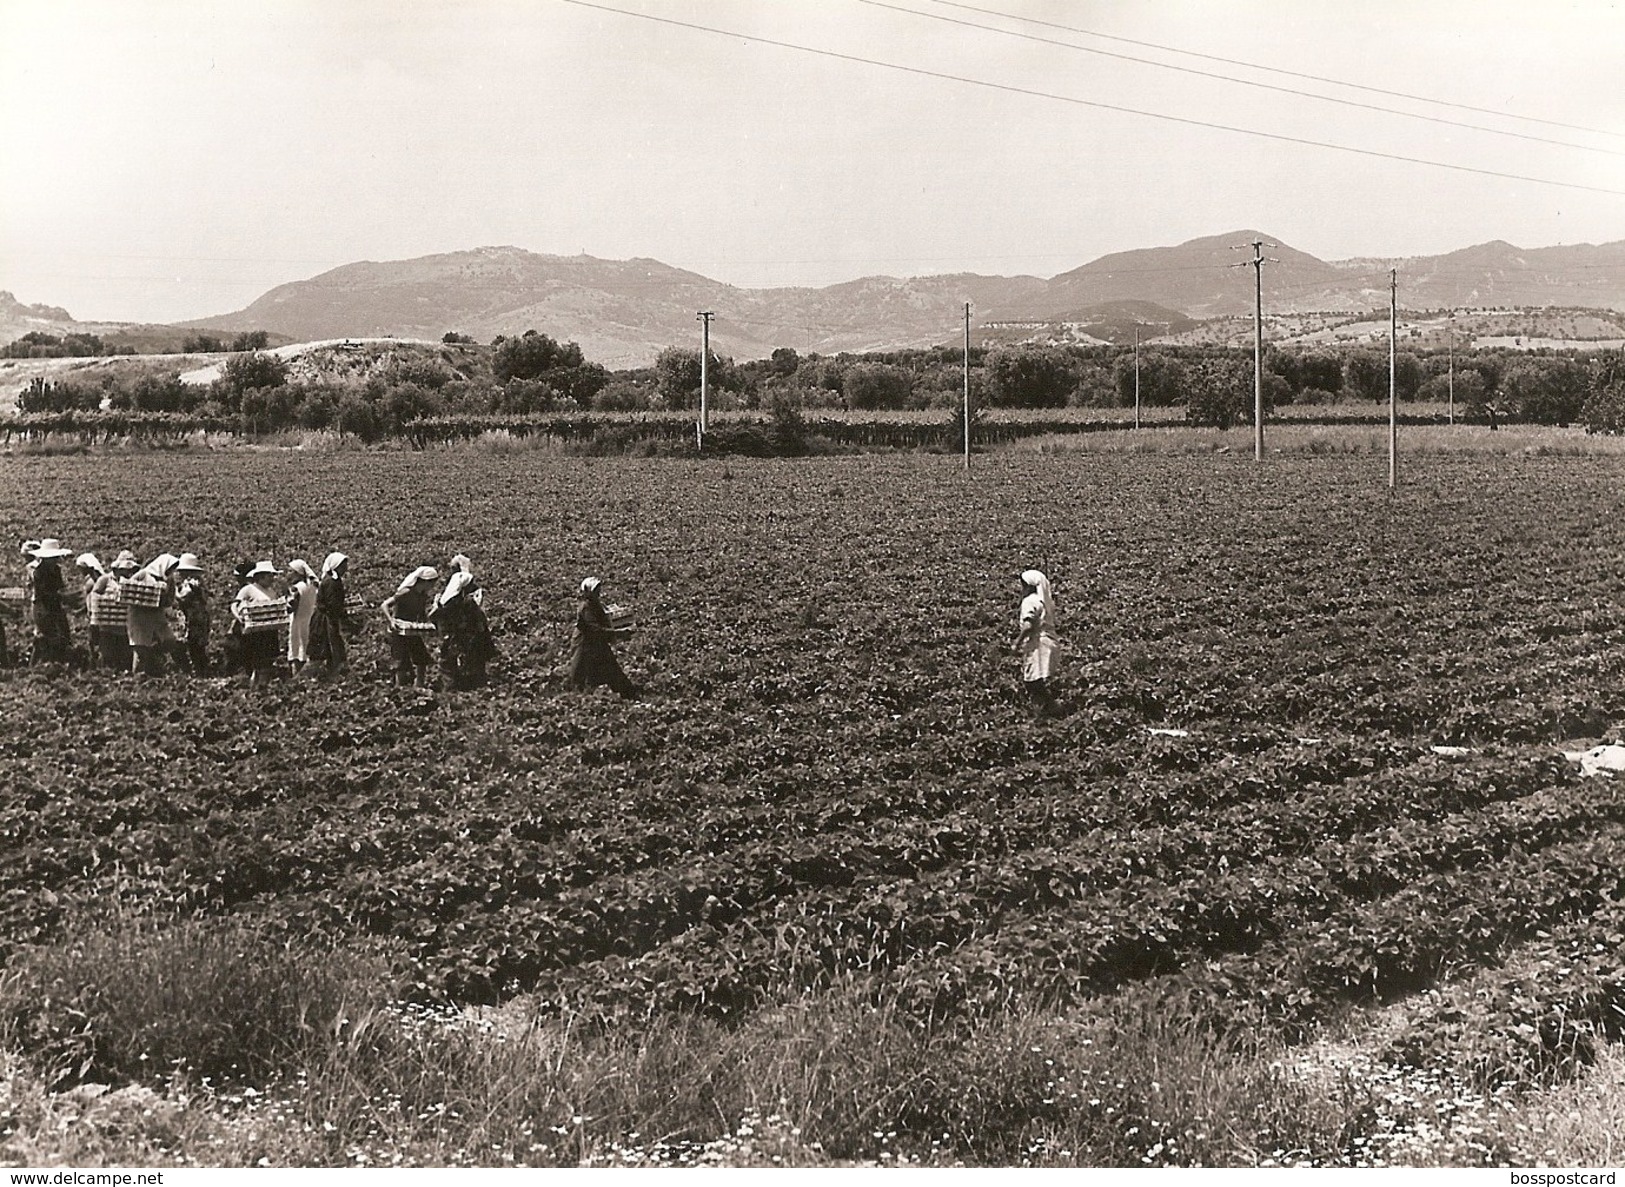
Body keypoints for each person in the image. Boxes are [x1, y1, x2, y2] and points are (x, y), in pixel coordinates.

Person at [567, 576, 640, 699]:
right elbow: (595, 630)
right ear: (587, 591)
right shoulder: (586, 607)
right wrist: (619, 633)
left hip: (596, 642)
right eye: (595, 590)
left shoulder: (595, 604)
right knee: (581, 675)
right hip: (584, 644)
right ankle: (581, 699)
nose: (598, 593)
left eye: (598, 590)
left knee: (611, 670)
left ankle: (628, 695)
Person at [430, 570, 495, 691]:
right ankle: (473, 689)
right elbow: (479, 620)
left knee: (448, 668)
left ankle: (451, 692)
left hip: (449, 640)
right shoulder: (468, 603)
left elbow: (433, 618)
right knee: (473, 666)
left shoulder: (442, 602)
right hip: (468, 639)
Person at [1011, 569, 1061, 719]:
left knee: (1033, 682)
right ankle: (1049, 710)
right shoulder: (1045, 601)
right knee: (1037, 680)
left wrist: (1017, 643)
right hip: (1049, 641)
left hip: (1038, 644)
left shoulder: (1030, 601)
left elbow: (1028, 626)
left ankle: (1048, 711)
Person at [382, 565, 439, 686]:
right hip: (398, 630)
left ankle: (419, 685)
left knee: (421, 658)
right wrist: (391, 620)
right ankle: (399, 689)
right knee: (401, 662)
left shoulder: (422, 595)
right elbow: (384, 605)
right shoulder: (406, 592)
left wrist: (428, 621)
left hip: (411, 630)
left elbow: (422, 614)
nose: (433, 587)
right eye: (432, 583)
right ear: (424, 582)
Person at [125, 554, 179, 677]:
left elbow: (170, 598)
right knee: (140, 648)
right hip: (140, 616)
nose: (171, 571)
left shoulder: (168, 580)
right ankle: (139, 677)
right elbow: (128, 589)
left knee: (168, 640)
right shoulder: (144, 574)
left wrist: (164, 596)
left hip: (157, 614)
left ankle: (155, 661)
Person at [232, 561, 283, 688]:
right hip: (255, 631)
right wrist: (239, 617)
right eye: (270, 576)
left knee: (267, 660)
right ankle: (253, 687)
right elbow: (234, 605)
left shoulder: (271, 591)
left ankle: (262, 686)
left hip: (269, 630)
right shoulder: (248, 589)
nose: (272, 579)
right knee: (256, 661)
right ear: (260, 577)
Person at [307, 552, 355, 678]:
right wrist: (344, 618)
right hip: (324, 621)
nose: (346, 569)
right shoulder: (331, 582)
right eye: (343, 566)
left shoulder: (333, 580)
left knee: (330, 651)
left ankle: (330, 677)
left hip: (328, 619)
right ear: (336, 566)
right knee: (324, 651)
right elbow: (332, 605)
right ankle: (306, 678)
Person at [26, 539, 73, 665]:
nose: (55, 560)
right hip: (42, 607)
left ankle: (55, 662)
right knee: (45, 636)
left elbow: (59, 587)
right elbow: (43, 593)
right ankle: (40, 664)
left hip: (54, 604)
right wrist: (63, 598)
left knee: (62, 634)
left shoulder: (56, 570)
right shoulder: (39, 572)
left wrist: (63, 596)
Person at [90, 551, 138, 671]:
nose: (127, 572)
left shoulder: (130, 581)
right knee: (107, 655)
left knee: (124, 656)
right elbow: (94, 595)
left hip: (124, 627)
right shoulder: (105, 580)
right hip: (107, 627)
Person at [173, 553, 211, 674]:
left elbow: (184, 597)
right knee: (197, 646)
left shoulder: (191, 582)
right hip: (200, 617)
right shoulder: (199, 582)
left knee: (193, 645)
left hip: (194, 618)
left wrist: (172, 593)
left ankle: (197, 671)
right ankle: (201, 670)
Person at [285, 559, 318, 674]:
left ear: (297, 573)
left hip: (298, 621)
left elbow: (291, 607)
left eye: (290, 571)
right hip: (310, 620)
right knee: (305, 647)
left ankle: (296, 676)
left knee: (296, 647)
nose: (287, 574)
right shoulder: (312, 587)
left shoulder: (295, 588)